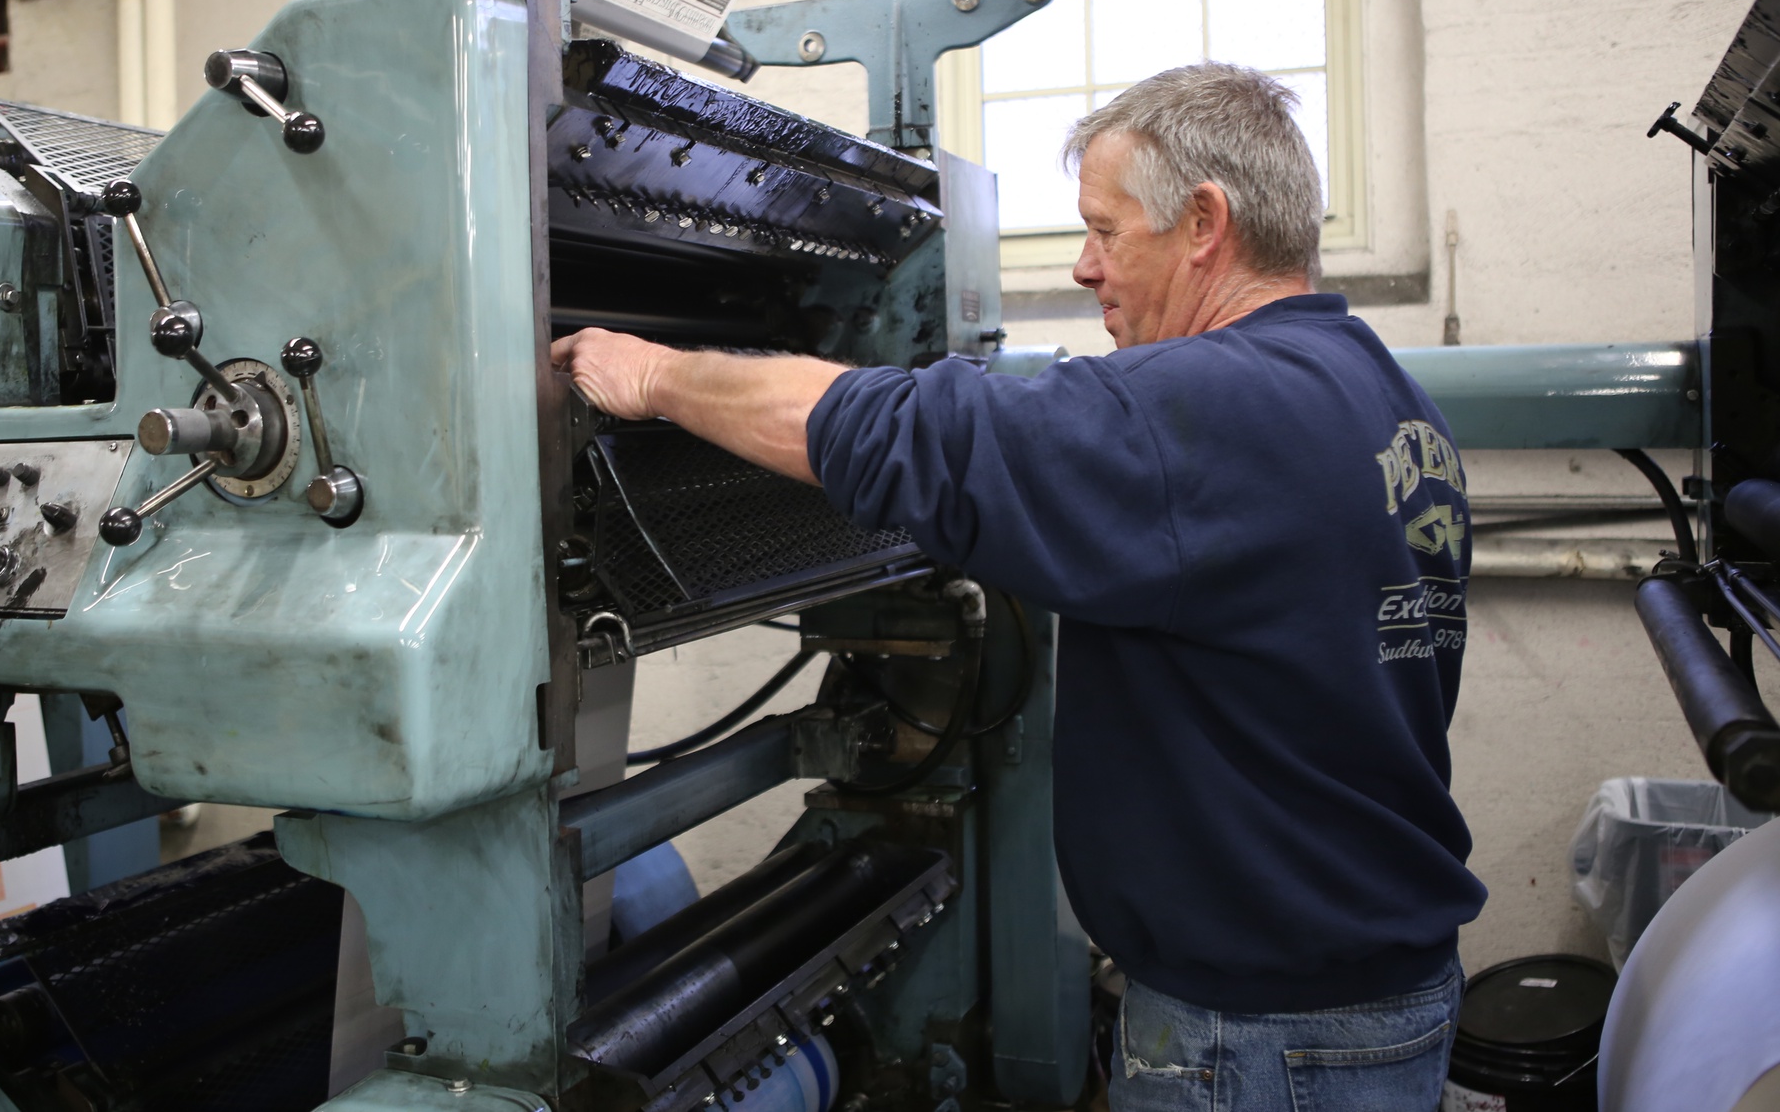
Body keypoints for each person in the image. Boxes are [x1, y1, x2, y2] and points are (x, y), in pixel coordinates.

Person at [552, 63, 1485, 1110]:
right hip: (1362, 991)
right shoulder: (1383, 397)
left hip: (1258, 1037)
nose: (1086, 268)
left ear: (1203, 224)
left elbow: (903, 432)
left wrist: (655, 376)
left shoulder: (1209, 408)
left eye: (1104, 230)